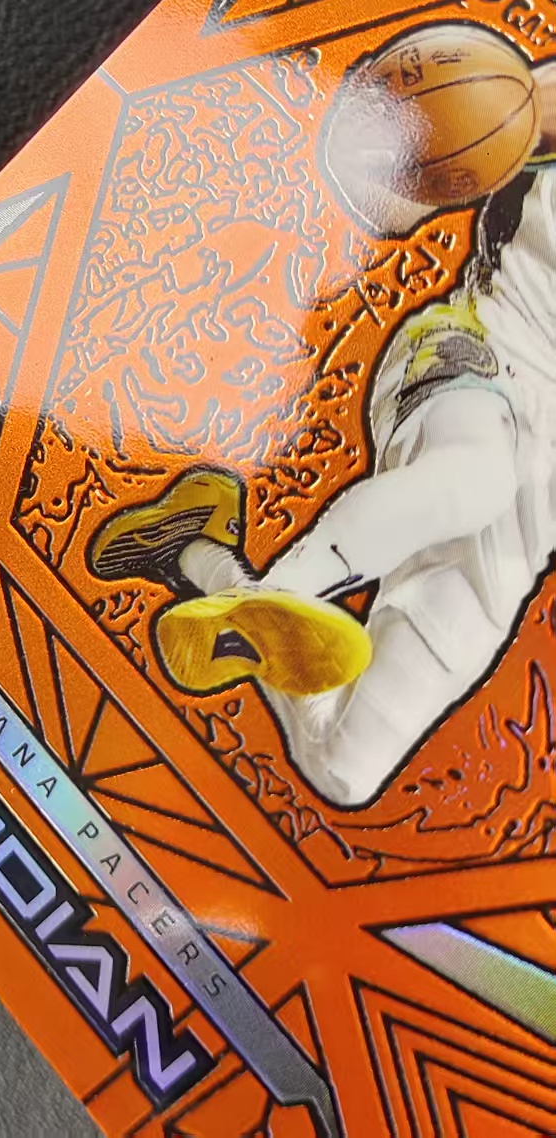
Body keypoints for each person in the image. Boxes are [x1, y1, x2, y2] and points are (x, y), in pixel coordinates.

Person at [87, 61, 556, 809]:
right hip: (480, 358)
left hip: (535, 502)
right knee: (477, 478)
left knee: (346, 769)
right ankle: (284, 591)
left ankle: (197, 553)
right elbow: (400, 183)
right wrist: (417, 141)